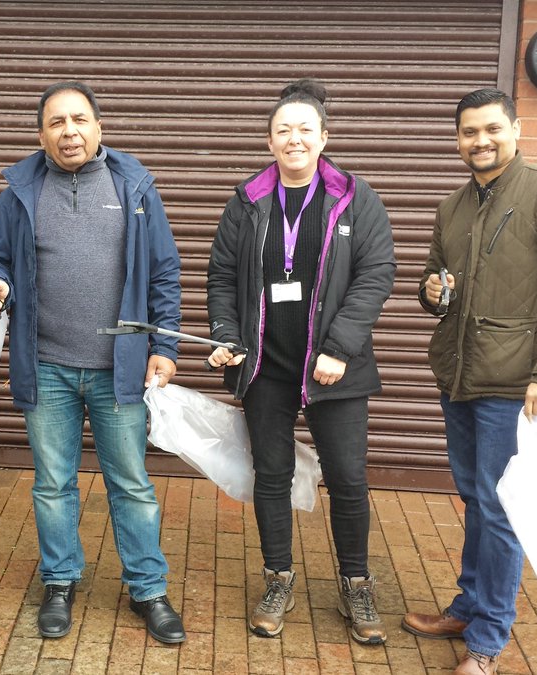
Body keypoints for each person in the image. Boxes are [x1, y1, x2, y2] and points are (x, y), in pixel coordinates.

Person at [0, 81, 185, 644]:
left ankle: (148, 589)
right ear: (40, 134)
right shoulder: (21, 189)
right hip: (47, 364)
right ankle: (60, 582)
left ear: (99, 126)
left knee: (132, 484)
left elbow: (164, 271)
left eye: (79, 120)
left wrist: (164, 349)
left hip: (119, 369)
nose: (69, 132)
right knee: (52, 483)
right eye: (57, 123)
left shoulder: (133, 184)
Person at [405, 88, 537, 674]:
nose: (480, 141)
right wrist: (431, 293)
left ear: (515, 128)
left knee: (501, 509)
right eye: (468, 132)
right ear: (457, 139)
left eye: (491, 129)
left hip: (516, 383)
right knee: (477, 499)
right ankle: (469, 605)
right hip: (461, 376)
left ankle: (487, 640)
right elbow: (434, 285)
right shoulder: (453, 206)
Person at [205, 78, 396, 645]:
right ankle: (278, 576)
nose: (294, 139)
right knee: (272, 475)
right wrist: (226, 333)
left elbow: (375, 273)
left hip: (335, 368)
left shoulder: (355, 199)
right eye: (283, 130)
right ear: (269, 142)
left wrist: (339, 346)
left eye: (304, 130)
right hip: (266, 366)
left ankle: (356, 583)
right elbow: (220, 275)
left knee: (348, 479)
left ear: (323, 137)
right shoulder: (247, 202)